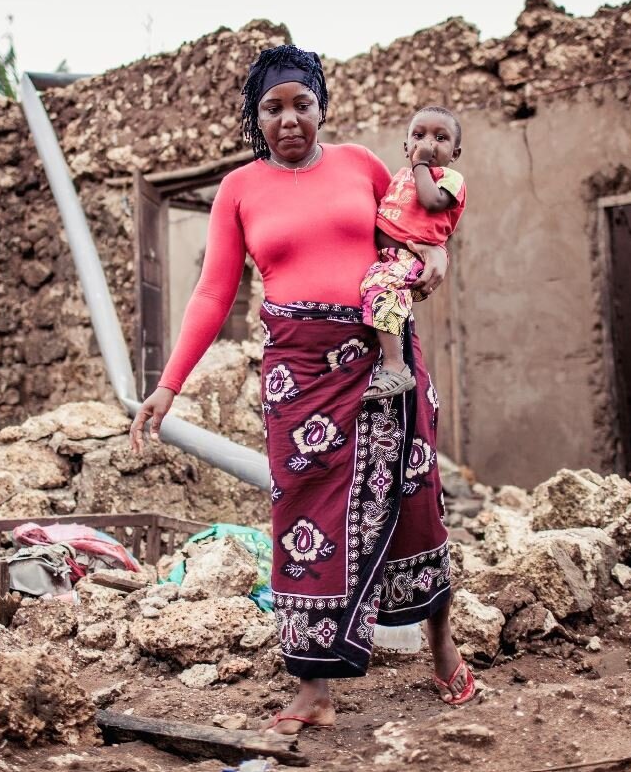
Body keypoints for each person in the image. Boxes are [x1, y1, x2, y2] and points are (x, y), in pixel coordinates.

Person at [129, 45, 474, 736]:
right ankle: (314, 687)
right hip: (299, 375)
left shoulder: (363, 166)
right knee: (304, 520)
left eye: (301, 103)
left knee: (415, 497)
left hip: (385, 357)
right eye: (273, 107)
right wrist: (169, 384)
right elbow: (211, 292)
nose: (289, 118)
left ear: (322, 106)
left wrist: (436, 254)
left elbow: (413, 229)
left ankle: (441, 647)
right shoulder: (239, 189)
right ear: (256, 118)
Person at [360, 106, 466, 400]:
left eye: (440, 138)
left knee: (380, 289)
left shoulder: (449, 178)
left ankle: (396, 366)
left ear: (455, 153)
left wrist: (420, 166)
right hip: (387, 259)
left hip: (409, 259)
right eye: (419, 136)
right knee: (376, 292)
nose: (428, 144)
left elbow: (432, 202)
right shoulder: (400, 176)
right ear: (406, 146)